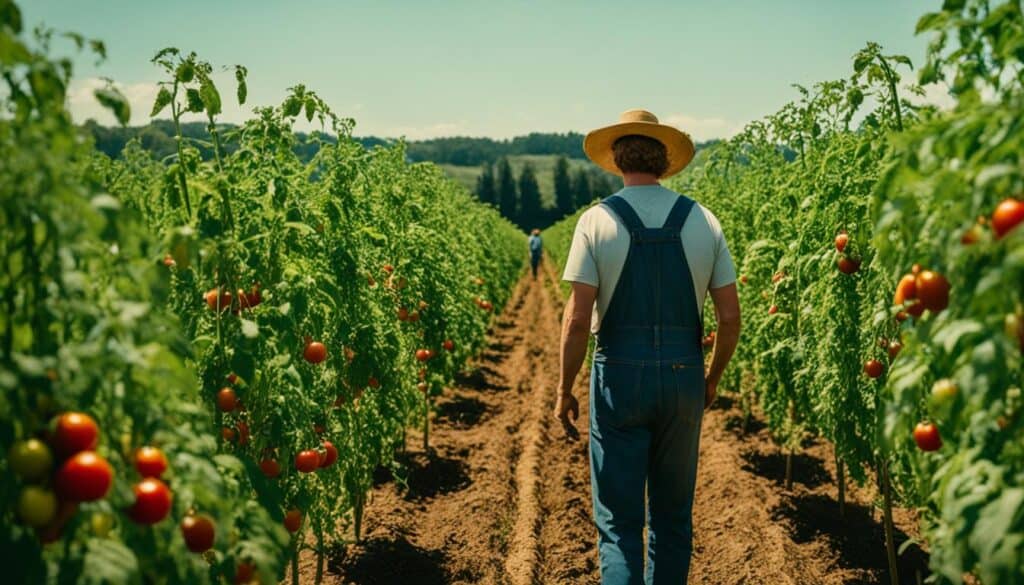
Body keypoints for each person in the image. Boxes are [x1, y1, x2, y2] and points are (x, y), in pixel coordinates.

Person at [554, 109, 741, 585]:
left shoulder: (595, 222)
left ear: (617, 159)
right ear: (665, 161)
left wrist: (564, 389)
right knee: (673, 520)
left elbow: (577, 321)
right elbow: (730, 317)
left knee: (618, 526)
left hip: (618, 378)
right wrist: (711, 378)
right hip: (683, 379)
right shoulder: (703, 221)